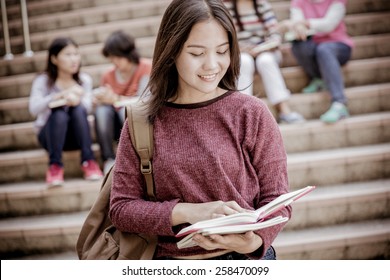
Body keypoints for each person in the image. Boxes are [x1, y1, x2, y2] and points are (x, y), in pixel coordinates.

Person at [109, 0, 291, 260]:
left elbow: (278, 198)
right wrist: (188, 212)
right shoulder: (142, 120)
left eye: (222, 51)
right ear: (172, 52)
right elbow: (121, 208)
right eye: (197, 53)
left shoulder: (251, 112)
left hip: (244, 261)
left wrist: (251, 242)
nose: (212, 65)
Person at [29, 37, 103, 187]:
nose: (74, 59)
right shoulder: (43, 81)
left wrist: (78, 100)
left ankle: (89, 161)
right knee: (59, 113)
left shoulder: (84, 80)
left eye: (76, 54)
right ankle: (55, 166)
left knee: (77, 109)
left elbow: (87, 107)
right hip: (50, 136)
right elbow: (33, 108)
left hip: (77, 136)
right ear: (54, 59)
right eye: (68, 55)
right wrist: (57, 96)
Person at [223, 0, 305, 124]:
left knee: (265, 61)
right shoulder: (227, 6)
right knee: (244, 61)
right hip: (241, 53)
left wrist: (267, 46)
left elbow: (275, 33)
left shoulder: (262, 4)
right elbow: (225, 36)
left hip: (267, 51)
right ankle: (242, 113)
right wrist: (240, 48)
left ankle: (284, 110)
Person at [280, 0, 354, 123]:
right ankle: (319, 78)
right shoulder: (299, 2)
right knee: (299, 46)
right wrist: (297, 26)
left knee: (324, 50)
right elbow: (297, 22)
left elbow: (329, 25)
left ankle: (339, 103)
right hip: (313, 45)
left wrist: (305, 23)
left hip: (338, 44)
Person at [93, 30, 152, 174]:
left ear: (127, 53)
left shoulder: (145, 68)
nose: (114, 62)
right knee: (101, 112)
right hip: (113, 124)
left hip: (136, 120)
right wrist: (99, 99)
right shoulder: (108, 75)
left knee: (127, 111)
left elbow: (145, 99)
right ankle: (109, 159)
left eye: (117, 57)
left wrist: (116, 99)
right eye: (111, 58)